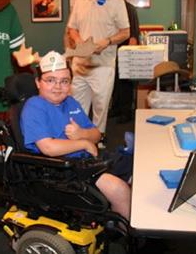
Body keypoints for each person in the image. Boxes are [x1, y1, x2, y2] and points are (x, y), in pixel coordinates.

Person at [20, 51, 131, 220]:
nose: (58, 87)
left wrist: (82, 134)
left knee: (133, 166)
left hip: (87, 160)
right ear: (38, 83)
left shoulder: (70, 102)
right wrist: (83, 143)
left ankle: (119, 218)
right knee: (118, 189)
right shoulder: (34, 107)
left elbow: (96, 134)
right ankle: (130, 235)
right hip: (61, 169)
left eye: (64, 81)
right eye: (50, 80)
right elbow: (48, 147)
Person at [67, 0, 130, 147]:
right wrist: (78, 40)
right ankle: (76, 143)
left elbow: (126, 32)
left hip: (103, 64)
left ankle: (97, 143)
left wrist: (108, 41)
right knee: (76, 107)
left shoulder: (116, 1)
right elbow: (72, 28)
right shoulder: (80, 0)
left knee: (100, 108)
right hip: (80, 64)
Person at [107, 0, 140, 124]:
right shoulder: (110, 8)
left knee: (125, 84)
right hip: (111, 52)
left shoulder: (129, 8)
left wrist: (128, 56)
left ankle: (126, 113)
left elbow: (133, 34)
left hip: (125, 52)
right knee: (114, 83)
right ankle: (115, 109)